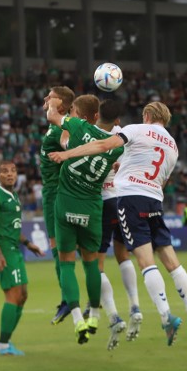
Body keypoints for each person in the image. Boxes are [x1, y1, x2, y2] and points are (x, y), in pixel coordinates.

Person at [50, 101, 187, 346]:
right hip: (155, 201)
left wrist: (66, 154)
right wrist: (124, 168)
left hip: (129, 199)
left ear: (148, 114)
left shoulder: (136, 129)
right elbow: (159, 179)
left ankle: (165, 317)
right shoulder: (173, 145)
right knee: (171, 260)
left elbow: (103, 145)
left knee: (142, 261)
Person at [45, 94, 124, 345]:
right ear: (98, 115)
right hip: (91, 209)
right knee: (92, 264)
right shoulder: (116, 146)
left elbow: (52, 116)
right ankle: (96, 317)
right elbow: (116, 166)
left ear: (80, 115)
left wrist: (53, 102)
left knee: (67, 262)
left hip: (66, 204)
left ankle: (78, 318)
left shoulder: (77, 127)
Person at [92, 99, 141, 349]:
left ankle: (113, 315)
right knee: (123, 255)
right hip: (122, 201)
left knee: (96, 262)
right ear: (118, 120)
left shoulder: (91, 135)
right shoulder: (123, 137)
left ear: (97, 114)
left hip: (100, 202)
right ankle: (135, 305)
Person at [0, 162, 44, 356]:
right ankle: (2, 345)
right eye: (4, 171)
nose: (9, 174)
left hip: (14, 249)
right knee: (13, 295)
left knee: (23, 295)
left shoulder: (14, 196)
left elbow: (12, 227)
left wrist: (27, 243)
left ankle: (6, 340)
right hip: (3, 250)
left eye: (13, 171)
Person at [40, 86, 76, 325]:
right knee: (64, 250)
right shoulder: (55, 126)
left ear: (60, 103)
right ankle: (70, 298)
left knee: (60, 249)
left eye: (50, 96)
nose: (46, 99)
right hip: (52, 192)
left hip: (56, 194)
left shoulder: (63, 126)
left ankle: (69, 300)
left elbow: (70, 146)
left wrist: (67, 152)